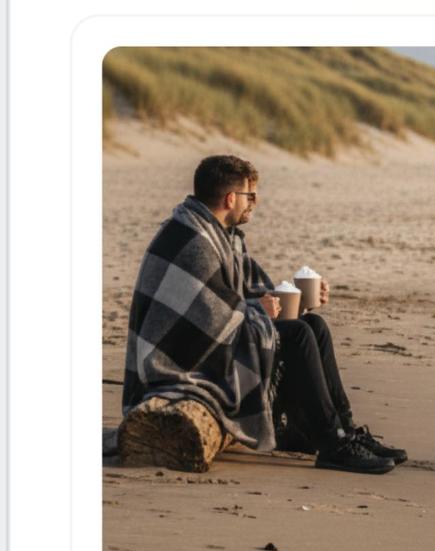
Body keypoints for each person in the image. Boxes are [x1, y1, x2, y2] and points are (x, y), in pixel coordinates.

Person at [122, 155, 406, 474]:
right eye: (250, 196)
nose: (254, 203)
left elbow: (248, 298)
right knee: (296, 335)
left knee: (312, 324)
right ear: (231, 198)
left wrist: (303, 302)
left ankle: (344, 431)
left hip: (208, 340)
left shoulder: (217, 232)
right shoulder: (193, 240)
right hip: (181, 360)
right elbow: (207, 319)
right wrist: (258, 310)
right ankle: (332, 443)